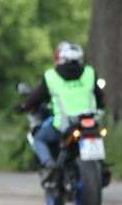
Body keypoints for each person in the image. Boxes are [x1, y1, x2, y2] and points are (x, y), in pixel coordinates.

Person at [17, 41, 104, 182]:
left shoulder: (52, 76)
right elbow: (99, 96)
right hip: (89, 121)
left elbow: (36, 97)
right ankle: (100, 165)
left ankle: (49, 165)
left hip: (63, 125)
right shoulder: (89, 73)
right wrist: (100, 107)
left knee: (39, 139)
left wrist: (22, 106)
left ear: (61, 58)